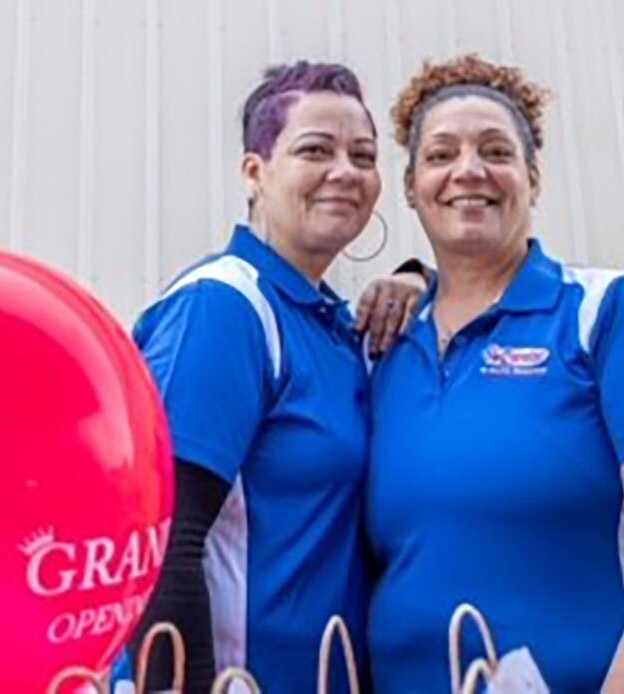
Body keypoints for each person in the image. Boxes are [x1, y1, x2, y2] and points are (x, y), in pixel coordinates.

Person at [366, 54, 624, 693]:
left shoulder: (605, 313)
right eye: (441, 154)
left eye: (496, 152)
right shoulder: (381, 342)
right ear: (412, 186)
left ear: (533, 179)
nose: (468, 170)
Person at [124, 61, 421, 692]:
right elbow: (159, 541)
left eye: (363, 156)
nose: (344, 171)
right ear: (255, 173)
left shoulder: (336, 324)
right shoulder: (223, 307)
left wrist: (421, 277)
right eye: (315, 150)